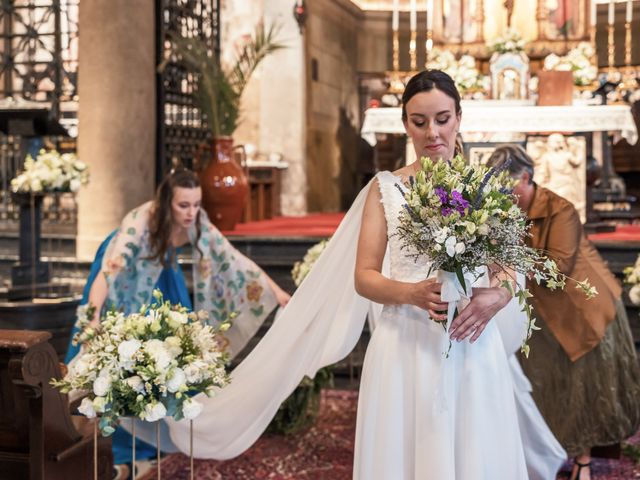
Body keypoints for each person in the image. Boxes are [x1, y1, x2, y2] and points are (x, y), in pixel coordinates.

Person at [130, 72, 565, 480]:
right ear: (405, 126)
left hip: (471, 345)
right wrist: (411, 292)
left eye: (442, 119)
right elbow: (365, 277)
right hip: (407, 345)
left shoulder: (487, 189)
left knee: (472, 452)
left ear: (458, 119)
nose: (432, 133)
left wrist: (500, 295)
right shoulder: (385, 190)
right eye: (419, 121)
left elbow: (509, 265)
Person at [65, 168, 290, 476]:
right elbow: (110, 270)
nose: (191, 212)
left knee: (171, 346)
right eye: (183, 205)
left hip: (161, 270)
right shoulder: (140, 222)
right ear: (167, 201)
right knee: (120, 351)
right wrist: (92, 317)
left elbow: (230, 257)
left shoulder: (197, 220)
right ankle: (113, 445)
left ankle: (154, 439)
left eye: (196, 204)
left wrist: (277, 294)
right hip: (124, 277)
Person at [487, 144, 640, 480]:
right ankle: (545, 453)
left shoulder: (561, 210)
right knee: (545, 389)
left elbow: (557, 267)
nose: (503, 198)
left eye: (507, 189)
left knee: (582, 389)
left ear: (525, 178)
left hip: (581, 311)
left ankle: (583, 460)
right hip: (538, 313)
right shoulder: (502, 210)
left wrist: (509, 260)